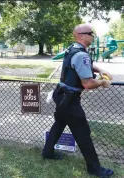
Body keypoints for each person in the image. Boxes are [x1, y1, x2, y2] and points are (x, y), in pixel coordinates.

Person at [42, 23, 114, 178]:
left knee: (59, 124)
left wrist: (100, 70)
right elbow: (88, 83)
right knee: (83, 134)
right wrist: (103, 82)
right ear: (82, 35)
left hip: (60, 95)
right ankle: (95, 169)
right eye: (91, 33)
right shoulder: (81, 54)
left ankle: (47, 152)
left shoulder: (72, 49)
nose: (93, 36)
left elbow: (83, 64)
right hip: (70, 101)